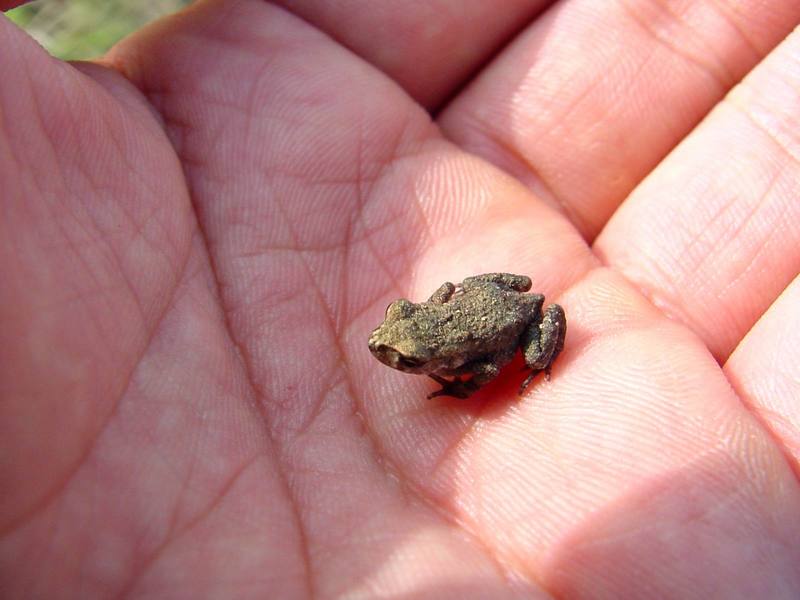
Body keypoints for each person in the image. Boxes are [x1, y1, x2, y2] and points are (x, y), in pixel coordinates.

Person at [1, 1, 799, 597]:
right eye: (397, 340)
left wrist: (469, 380)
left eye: (401, 352)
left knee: (533, 335)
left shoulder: (460, 357)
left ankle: (544, 365)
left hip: (513, 318)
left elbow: (491, 359)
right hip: (480, 299)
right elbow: (456, 298)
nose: (386, 352)